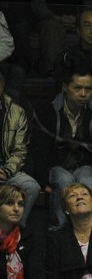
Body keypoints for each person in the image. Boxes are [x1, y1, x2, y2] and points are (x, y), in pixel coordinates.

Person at [32, 61, 92, 230]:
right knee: (64, 181)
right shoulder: (48, 109)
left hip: (85, 165)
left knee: (88, 182)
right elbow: (40, 148)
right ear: (65, 87)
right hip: (57, 165)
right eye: (78, 88)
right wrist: (43, 180)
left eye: (88, 89)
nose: (83, 94)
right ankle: (60, 233)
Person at [0, 71, 41, 227]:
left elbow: (20, 149)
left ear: (2, 86)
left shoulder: (16, 112)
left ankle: (15, 231)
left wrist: (7, 171)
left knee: (31, 187)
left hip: (8, 168)